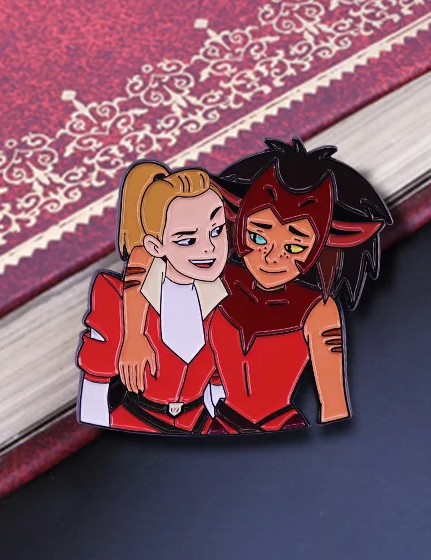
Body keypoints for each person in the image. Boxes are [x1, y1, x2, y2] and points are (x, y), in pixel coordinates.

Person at [118, 139, 392, 433]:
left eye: (294, 247)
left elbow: (335, 406)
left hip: (281, 427)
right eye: (258, 238)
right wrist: (132, 336)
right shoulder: (221, 275)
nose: (272, 258)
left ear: (321, 248)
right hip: (213, 422)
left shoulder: (319, 310)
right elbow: (143, 255)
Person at [75, 161, 228, 434]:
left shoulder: (225, 301)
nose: (209, 248)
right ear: (156, 246)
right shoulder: (117, 298)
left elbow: (219, 384)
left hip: (201, 427)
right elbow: (95, 387)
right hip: (133, 427)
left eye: (216, 230)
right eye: (187, 240)